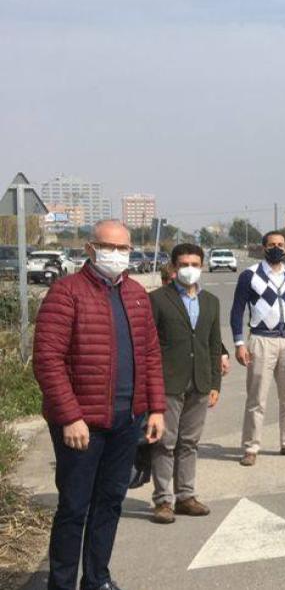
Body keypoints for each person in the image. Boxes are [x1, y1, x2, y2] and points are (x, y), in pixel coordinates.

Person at [33, 219, 166, 590]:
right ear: (91, 249)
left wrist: (155, 408)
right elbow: (48, 359)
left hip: (126, 421)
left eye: (125, 248)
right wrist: (70, 416)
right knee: (74, 508)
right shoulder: (66, 293)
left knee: (110, 504)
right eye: (110, 247)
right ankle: (61, 583)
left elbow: (151, 356)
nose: (118, 255)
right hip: (81, 425)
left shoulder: (137, 295)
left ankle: (97, 579)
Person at [148, 243, 230, 524]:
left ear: (202, 266)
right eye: (184, 264)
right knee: (165, 443)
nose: (190, 269)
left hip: (200, 382)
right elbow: (150, 347)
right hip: (168, 383)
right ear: (173, 267)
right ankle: (162, 501)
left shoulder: (211, 302)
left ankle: (186, 496)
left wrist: (214, 383)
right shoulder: (158, 299)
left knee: (189, 442)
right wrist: (151, 386)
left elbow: (213, 345)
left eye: (195, 264)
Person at [230, 230, 285, 466]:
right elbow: (237, 310)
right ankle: (251, 447)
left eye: (281, 244)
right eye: (272, 244)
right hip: (261, 340)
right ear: (264, 248)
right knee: (256, 399)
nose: (277, 248)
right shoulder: (250, 275)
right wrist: (238, 342)